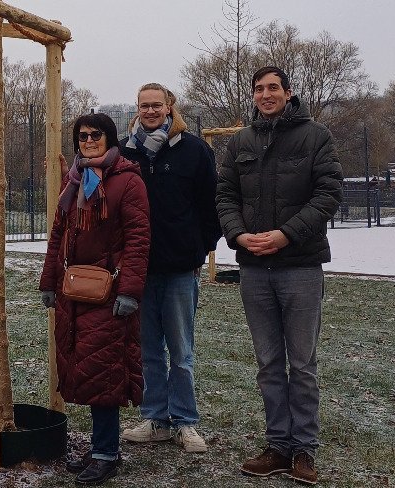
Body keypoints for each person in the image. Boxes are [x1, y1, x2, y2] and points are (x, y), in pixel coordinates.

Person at [216, 66, 343, 485]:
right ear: (253, 95)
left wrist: (286, 235)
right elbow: (225, 195)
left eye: (274, 88)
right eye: (259, 89)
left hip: (301, 268)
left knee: (302, 365)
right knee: (269, 364)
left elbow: (328, 194)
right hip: (254, 271)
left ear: (289, 93)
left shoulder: (316, 137)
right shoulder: (241, 142)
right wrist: (237, 235)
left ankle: (304, 451)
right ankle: (277, 447)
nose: (266, 95)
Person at [39, 112, 150, 486]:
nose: (88, 141)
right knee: (85, 370)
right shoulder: (73, 182)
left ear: (111, 137)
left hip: (110, 292)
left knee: (103, 372)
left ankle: (105, 454)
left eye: (96, 135)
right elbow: (58, 235)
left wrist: (130, 291)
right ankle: (103, 445)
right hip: (74, 291)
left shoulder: (127, 182)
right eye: (82, 136)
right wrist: (48, 282)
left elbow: (138, 240)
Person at [117, 83, 222, 452]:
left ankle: (186, 420)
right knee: (147, 349)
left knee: (181, 351)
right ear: (137, 108)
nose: (149, 111)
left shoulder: (193, 149)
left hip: (180, 267)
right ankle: (155, 418)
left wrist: (201, 249)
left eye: (156, 105)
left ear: (169, 106)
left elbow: (213, 204)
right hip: (138, 268)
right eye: (143, 105)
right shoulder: (125, 152)